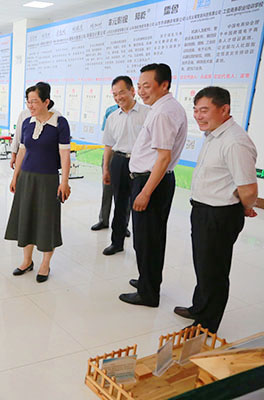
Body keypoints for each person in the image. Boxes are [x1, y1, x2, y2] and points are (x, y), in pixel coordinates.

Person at [174, 87, 258, 333]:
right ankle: (199, 307)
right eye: (196, 110)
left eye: (205, 110)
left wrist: (245, 207)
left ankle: (205, 325)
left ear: (225, 110)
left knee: (214, 270)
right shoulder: (214, 135)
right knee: (203, 264)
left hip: (219, 214)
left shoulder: (234, 142)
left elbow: (249, 189)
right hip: (204, 211)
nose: (198, 116)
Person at [119, 63, 187, 307]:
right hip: (154, 179)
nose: (142, 91)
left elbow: (163, 157)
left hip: (151, 182)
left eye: (147, 86)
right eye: (139, 86)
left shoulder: (162, 113)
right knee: (151, 238)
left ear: (164, 85)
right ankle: (148, 280)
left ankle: (148, 293)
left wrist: (145, 192)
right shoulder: (167, 108)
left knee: (147, 239)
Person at [5, 84, 71, 282]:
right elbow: (23, 150)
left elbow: (65, 154)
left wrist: (65, 182)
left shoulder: (59, 123)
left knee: (46, 220)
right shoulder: (27, 122)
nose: (30, 105)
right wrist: (15, 176)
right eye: (28, 101)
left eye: (34, 101)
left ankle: (45, 264)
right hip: (27, 177)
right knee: (26, 217)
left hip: (48, 179)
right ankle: (27, 261)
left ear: (46, 102)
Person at [101, 76, 150, 255]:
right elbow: (108, 145)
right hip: (119, 162)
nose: (118, 97)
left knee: (139, 205)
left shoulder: (148, 113)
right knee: (119, 203)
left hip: (141, 164)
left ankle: (141, 247)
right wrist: (106, 168)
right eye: (114, 94)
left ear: (132, 91)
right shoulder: (113, 117)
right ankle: (117, 242)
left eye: (122, 92)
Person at [9, 82, 62, 170]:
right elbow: (18, 135)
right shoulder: (25, 114)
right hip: (26, 160)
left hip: (47, 163)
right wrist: (14, 155)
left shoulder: (57, 116)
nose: (31, 105)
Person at [90, 103, 119, 231]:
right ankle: (103, 220)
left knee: (124, 194)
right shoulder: (110, 111)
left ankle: (122, 224)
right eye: (115, 94)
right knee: (107, 190)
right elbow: (106, 135)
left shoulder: (140, 113)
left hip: (128, 157)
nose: (119, 97)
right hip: (110, 153)